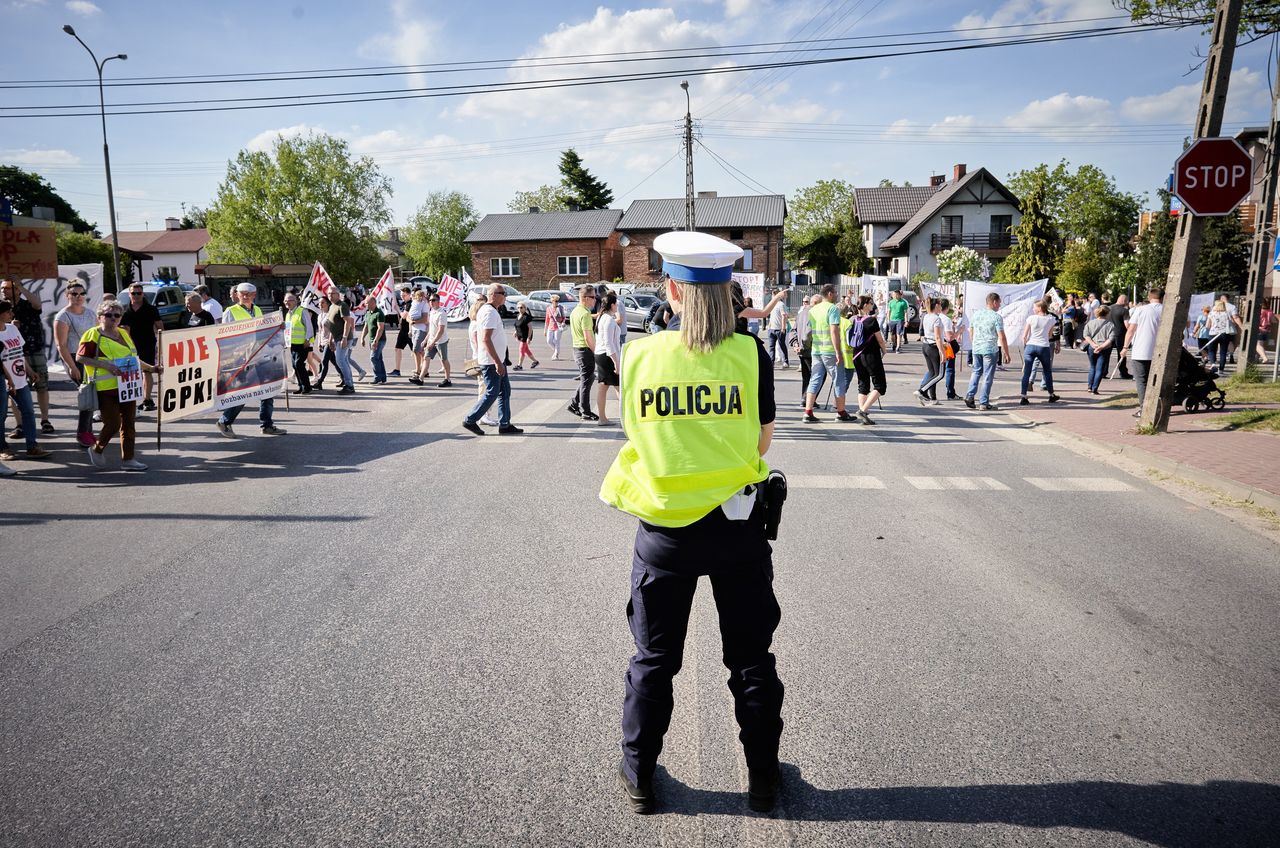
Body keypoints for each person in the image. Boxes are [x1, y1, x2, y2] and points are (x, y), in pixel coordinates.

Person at [599, 230, 783, 815]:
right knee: (751, 660)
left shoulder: (639, 353)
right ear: (726, 290)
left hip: (665, 532)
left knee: (654, 661)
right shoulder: (751, 353)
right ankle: (761, 778)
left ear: (672, 291)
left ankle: (640, 776)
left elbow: (636, 430)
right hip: (737, 528)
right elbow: (762, 437)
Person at [76, 300, 160, 470]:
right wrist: (107, 366)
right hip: (105, 388)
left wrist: (151, 368)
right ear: (100, 317)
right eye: (108, 315)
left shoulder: (123, 333)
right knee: (113, 423)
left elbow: (133, 360)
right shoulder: (93, 334)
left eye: (117, 315)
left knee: (129, 423)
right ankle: (97, 449)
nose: (113, 318)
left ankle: (128, 459)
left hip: (128, 386)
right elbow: (80, 358)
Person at [216, 283, 287, 437]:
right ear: (237, 295)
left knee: (268, 390)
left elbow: (262, 331)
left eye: (249, 293)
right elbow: (225, 336)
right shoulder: (231, 311)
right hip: (241, 359)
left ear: (254, 295)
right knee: (244, 392)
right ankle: (225, 421)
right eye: (242, 293)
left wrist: (277, 327)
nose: (245, 296)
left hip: (259, 356)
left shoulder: (257, 310)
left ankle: (267, 425)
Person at [461, 284, 522, 436]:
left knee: (504, 392)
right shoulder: (489, 312)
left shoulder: (491, 311)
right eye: (503, 293)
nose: (505, 296)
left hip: (496, 360)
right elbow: (486, 339)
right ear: (493, 295)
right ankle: (470, 419)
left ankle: (505, 424)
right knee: (492, 392)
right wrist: (497, 362)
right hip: (491, 362)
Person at [0, 299, 52, 464]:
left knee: (28, 411)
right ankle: (2, 448)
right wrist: (8, 379)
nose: (12, 314)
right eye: (8, 311)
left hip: (19, 377)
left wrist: (30, 371)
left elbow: (18, 353)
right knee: (1, 415)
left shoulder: (12, 329)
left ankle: (32, 446)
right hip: (3, 379)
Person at [54, 281, 99, 447]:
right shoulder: (63, 316)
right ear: (67, 296)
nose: (78, 297)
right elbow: (61, 345)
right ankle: (82, 433)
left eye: (81, 293)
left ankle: (88, 431)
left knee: (93, 393)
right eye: (74, 294)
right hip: (73, 357)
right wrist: (72, 367)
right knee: (87, 393)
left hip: (90, 358)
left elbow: (97, 337)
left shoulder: (90, 313)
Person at [118, 282, 164, 412]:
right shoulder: (124, 310)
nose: (136, 295)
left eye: (139, 293)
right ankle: (129, 402)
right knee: (130, 373)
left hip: (148, 343)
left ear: (142, 294)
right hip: (129, 346)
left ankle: (147, 399)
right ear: (129, 294)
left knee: (147, 371)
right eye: (134, 293)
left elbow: (160, 327)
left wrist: (161, 345)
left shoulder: (151, 309)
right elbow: (122, 330)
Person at [964, 292, 1010, 411]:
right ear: (994, 302)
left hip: (977, 348)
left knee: (976, 372)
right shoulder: (996, 317)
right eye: (999, 302)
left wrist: (974, 343)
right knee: (987, 375)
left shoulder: (976, 314)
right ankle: (984, 402)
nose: (1000, 305)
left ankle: (970, 395)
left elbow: (971, 331)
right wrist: (1006, 352)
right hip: (990, 348)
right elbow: (1002, 336)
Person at [1122, 288, 1164, 415]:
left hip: (1141, 350)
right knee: (1158, 380)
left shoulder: (1140, 310)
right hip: (1160, 351)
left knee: (1141, 381)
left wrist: (1125, 347)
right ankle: (1159, 405)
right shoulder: (1167, 310)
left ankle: (1144, 408)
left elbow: (1131, 329)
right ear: (1163, 297)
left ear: (1149, 296)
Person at [803, 285, 841, 422]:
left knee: (815, 379)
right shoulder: (832, 309)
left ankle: (808, 411)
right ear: (830, 294)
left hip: (816, 350)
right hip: (829, 350)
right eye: (835, 292)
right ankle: (841, 412)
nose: (837, 294)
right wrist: (838, 351)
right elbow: (834, 331)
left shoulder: (813, 310)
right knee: (838, 380)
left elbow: (809, 331)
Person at [849, 295, 887, 424]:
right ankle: (863, 411)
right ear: (865, 305)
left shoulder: (853, 319)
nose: (872, 305)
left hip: (856, 355)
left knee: (863, 384)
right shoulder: (871, 321)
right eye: (871, 303)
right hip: (870, 355)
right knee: (880, 385)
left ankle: (863, 412)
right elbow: (880, 339)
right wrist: (884, 349)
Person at [1019, 300, 1061, 405]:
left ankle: (1023, 396)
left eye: (1035, 307)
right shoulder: (1051, 319)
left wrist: (1025, 344)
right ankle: (1051, 395)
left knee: (1027, 372)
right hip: (1043, 346)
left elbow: (1024, 336)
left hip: (1031, 345)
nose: (1033, 309)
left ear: (1040, 308)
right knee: (1047, 371)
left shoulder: (1031, 318)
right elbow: (1050, 335)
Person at [568, 283, 599, 421]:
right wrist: (596, 351)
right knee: (587, 381)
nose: (595, 300)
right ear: (585, 298)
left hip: (577, 348)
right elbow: (588, 337)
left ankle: (574, 404)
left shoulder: (576, 311)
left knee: (588, 377)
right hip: (585, 350)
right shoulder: (585, 314)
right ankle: (585, 410)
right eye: (593, 297)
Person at [594, 292, 622, 425]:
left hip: (601, 355)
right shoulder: (609, 320)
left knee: (603, 387)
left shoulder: (602, 317)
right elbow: (609, 343)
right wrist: (616, 362)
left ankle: (602, 418)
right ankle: (625, 417)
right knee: (619, 387)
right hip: (607, 356)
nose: (617, 306)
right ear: (612, 305)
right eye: (616, 304)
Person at [915, 298, 947, 406]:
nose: (941, 307)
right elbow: (938, 337)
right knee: (940, 374)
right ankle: (921, 391)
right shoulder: (936, 319)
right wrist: (942, 352)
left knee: (933, 373)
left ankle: (933, 398)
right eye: (940, 305)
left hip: (926, 345)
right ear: (937, 305)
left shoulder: (926, 316)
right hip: (933, 346)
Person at [325, 292, 357, 394]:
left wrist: (344, 338)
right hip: (337, 338)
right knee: (343, 361)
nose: (330, 295)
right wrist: (330, 340)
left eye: (333, 293)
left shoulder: (342, 305)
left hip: (344, 338)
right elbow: (332, 325)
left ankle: (349, 385)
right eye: (329, 293)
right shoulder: (331, 307)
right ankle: (349, 384)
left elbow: (348, 322)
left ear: (338, 295)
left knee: (340, 361)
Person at [281, 292, 314, 393]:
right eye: (286, 301)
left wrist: (308, 339)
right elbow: (288, 329)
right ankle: (301, 386)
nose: (287, 302)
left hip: (303, 344)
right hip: (293, 344)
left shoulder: (302, 311)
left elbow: (309, 326)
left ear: (296, 301)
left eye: (290, 300)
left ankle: (307, 387)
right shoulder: (288, 314)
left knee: (298, 364)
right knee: (295, 365)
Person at [1082, 305, 1116, 395]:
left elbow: (1086, 335)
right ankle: (1095, 388)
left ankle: (1089, 386)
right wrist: (1101, 347)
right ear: (1107, 313)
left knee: (1092, 367)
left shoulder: (1090, 323)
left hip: (1092, 347)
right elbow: (1111, 339)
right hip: (1105, 348)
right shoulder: (1110, 324)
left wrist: (1093, 344)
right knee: (1100, 369)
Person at [424, 292, 453, 387]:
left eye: (433, 300)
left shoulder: (442, 313)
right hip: (431, 341)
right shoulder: (431, 312)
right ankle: (420, 378)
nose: (431, 302)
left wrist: (433, 342)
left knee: (444, 360)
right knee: (426, 358)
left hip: (441, 341)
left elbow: (440, 331)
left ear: (438, 301)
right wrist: (426, 340)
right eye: (430, 300)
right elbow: (431, 329)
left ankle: (447, 379)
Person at [362, 293, 388, 384]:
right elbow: (366, 326)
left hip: (380, 340)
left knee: (373, 358)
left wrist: (376, 341)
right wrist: (362, 338)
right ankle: (383, 378)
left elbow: (380, 328)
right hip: (371, 339)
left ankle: (377, 377)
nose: (365, 305)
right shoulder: (368, 313)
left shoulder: (379, 313)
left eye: (367, 303)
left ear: (373, 303)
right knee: (378, 358)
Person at [1204, 300, 1237, 373]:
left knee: (1211, 350)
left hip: (1213, 334)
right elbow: (1233, 323)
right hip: (1224, 334)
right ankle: (1221, 369)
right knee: (1223, 352)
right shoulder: (1227, 313)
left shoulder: (1211, 314)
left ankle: (1213, 363)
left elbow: (1207, 325)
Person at [795, 294, 816, 402]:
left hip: (802, 348)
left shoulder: (801, 313)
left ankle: (806, 398)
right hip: (808, 349)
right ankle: (807, 398)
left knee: (806, 376)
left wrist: (796, 344)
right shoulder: (811, 314)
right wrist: (802, 346)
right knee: (815, 375)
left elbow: (794, 330)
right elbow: (808, 333)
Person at [407, 289, 431, 385]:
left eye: (421, 295)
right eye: (418, 295)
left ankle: (417, 371)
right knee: (420, 351)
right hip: (414, 329)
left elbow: (425, 319)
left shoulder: (424, 304)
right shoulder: (414, 304)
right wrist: (410, 322)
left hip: (421, 329)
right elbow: (408, 316)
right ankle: (424, 370)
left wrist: (415, 322)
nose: (419, 297)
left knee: (416, 350)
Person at [765, 292, 790, 367]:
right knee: (771, 347)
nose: (772, 296)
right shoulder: (772, 304)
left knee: (782, 345)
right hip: (772, 329)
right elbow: (771, 316)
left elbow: (784, 316)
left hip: (779, 329)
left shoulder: (781, 304)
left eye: (773, 295)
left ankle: (786, 361)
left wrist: (783, 327)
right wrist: (769, 326)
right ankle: (771, 363)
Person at [391, 285, 412, 377]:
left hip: (409, 330)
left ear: (409, 295)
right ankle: (397, 369)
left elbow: (404, 315)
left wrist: (398, 310)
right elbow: (402, 317)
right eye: (401, 296)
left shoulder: (410, 304)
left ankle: (422, 369)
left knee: (416, 352)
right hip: (403, 330)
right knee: (397, 348)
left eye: (404, 295)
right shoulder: (404, 304)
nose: (402, 297)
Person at [1109, 294, 1131, 379]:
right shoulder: (1124, 311)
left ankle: (1103, 371)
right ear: (1124, 301)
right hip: (1120, 334)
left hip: (1109, 333)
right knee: (1121, 353)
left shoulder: (1109, 308)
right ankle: (1123, 372)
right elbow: (1127, 324)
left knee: (1107, 353)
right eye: (1126, 301)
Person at [513, 302, 539, 370]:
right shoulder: (518, 315)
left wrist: (529, 338)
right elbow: (517, 325)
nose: (519, 309)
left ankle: (519, 365)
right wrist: (515, 332)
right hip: (520, 335)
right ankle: (535, 361)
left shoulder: (527, 317)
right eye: (518, 307)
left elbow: (530, 328)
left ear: (525, 308)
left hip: (525, 336)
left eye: (521, 307)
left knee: (521, 349)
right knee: (526, 350)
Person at [545, 293, 567, 360]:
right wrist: (545, 330)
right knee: (549, 341)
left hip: (558, 326)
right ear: (552, 301)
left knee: (557, 341)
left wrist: (563, 322)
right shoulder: (548, 308)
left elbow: (564, 317)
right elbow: (547, 319)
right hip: (550, 327)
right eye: (555, 301)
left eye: (558, 301)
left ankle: (556, 355)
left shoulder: (560, 308)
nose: (557, 302)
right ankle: (556, 351)